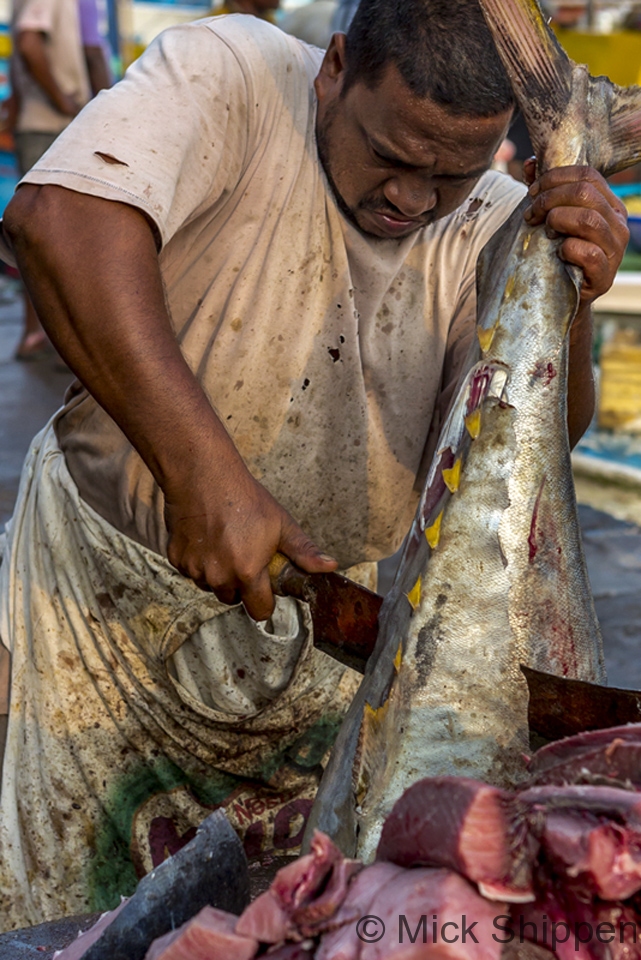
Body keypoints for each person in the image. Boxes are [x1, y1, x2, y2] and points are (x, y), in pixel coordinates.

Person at [0, 0, 628, 930]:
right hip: (102, 628)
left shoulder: (492, 222)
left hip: (329, 666)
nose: (411, 199)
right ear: (334, 68)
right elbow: (58, 221)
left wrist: (565, 287)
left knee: (298, 928)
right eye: (391, 155)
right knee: (65, 927)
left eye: (449, 175)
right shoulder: (234, 73)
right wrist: (201, 473)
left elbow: (541, 448)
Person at [10, 0, 110, 360]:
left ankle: (42, 334)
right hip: (54, 126)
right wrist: (69, 103)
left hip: (47, 124)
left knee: (42, 237)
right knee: (62, 238)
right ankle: (50, 337)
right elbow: (29, 44)